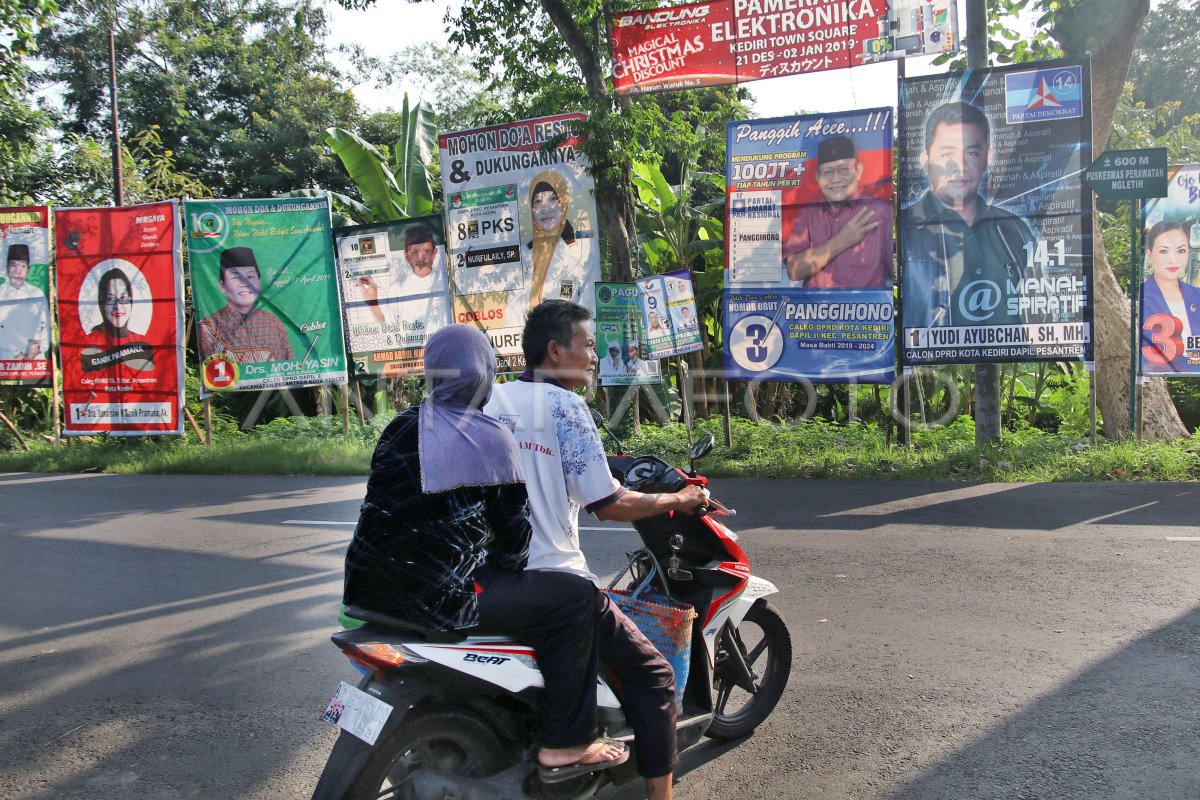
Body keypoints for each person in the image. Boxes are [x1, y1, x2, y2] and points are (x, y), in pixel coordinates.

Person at [343, 324, 629, 782]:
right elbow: (514, 544)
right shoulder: (492, 437)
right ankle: (567, 745)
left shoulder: (400, 425)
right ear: (484, 374)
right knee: (574, 598)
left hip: (364, 593)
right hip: (438, 601)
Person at [483, 300, 710, 800]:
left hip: (493, 579)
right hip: (553, 577)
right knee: (654, 677)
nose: (593, 357)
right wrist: (682, 497)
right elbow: (607, 503)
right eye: (587, 346)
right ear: (555, 349)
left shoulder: (492, 399)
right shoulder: (565, 407)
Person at [901, 101, 1039, 328]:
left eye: (972, 152)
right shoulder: (905, 229)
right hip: (934, 363)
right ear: (926, 162)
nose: (960, 165)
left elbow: (1041, 308)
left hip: (1012, 361)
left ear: (987, 158)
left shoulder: (1014, 230)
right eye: (947, 154)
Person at [784, 135, 892, 288]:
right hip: (814, 309)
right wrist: (842, 240)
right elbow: (794, 270)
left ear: (858, 171)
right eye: (828, 172)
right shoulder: (807, 213)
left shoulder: (880, 213)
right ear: (818, 177)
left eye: (843, 170)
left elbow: (894, 269)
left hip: (865, 309)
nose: (836, 179)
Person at [198, 246, 296, 364]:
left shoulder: (273, 322)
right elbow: (211, 372)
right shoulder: (208, 327)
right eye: (235, 277)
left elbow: (289, 364)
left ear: (259, 282)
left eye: (250, 276)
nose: (244, 283)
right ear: (222, 285)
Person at [358, 225, 450, 339]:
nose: (421, 257)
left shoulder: (447, 283)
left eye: (426, 250)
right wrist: (373, 304)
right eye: (414, 252)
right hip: (410, 353)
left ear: (434, 253)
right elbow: (388, 327)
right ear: (406, 255)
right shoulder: (397, 288)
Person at [526, 169, 594, 313]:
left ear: (563, 203)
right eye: (538, 201)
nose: (545, 209)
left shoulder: (581, 251)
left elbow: (588, 302)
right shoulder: (525, 251)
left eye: (552, 199)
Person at [1140, 220, 1200, 372]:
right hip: (1158, 373)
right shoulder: (1142, 297)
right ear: (1150, 254)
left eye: (1181, 251)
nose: (1173, 260)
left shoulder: (1196, 295)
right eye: (1164, 251)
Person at [80, 267, 155, 372]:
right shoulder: (88, 342)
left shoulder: (141, 340)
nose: (118, 306)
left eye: (123, 298)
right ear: (102, 303)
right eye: (110, 299)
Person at [0, 244, 49, 361]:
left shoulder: (37, 293)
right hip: (5, 357)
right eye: (13, 265)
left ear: (28, 270)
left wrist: (40, 347)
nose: (18, 271)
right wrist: (16, 352)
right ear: (7, 268)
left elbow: (46, 325)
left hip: (35, 358)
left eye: (23, 265)